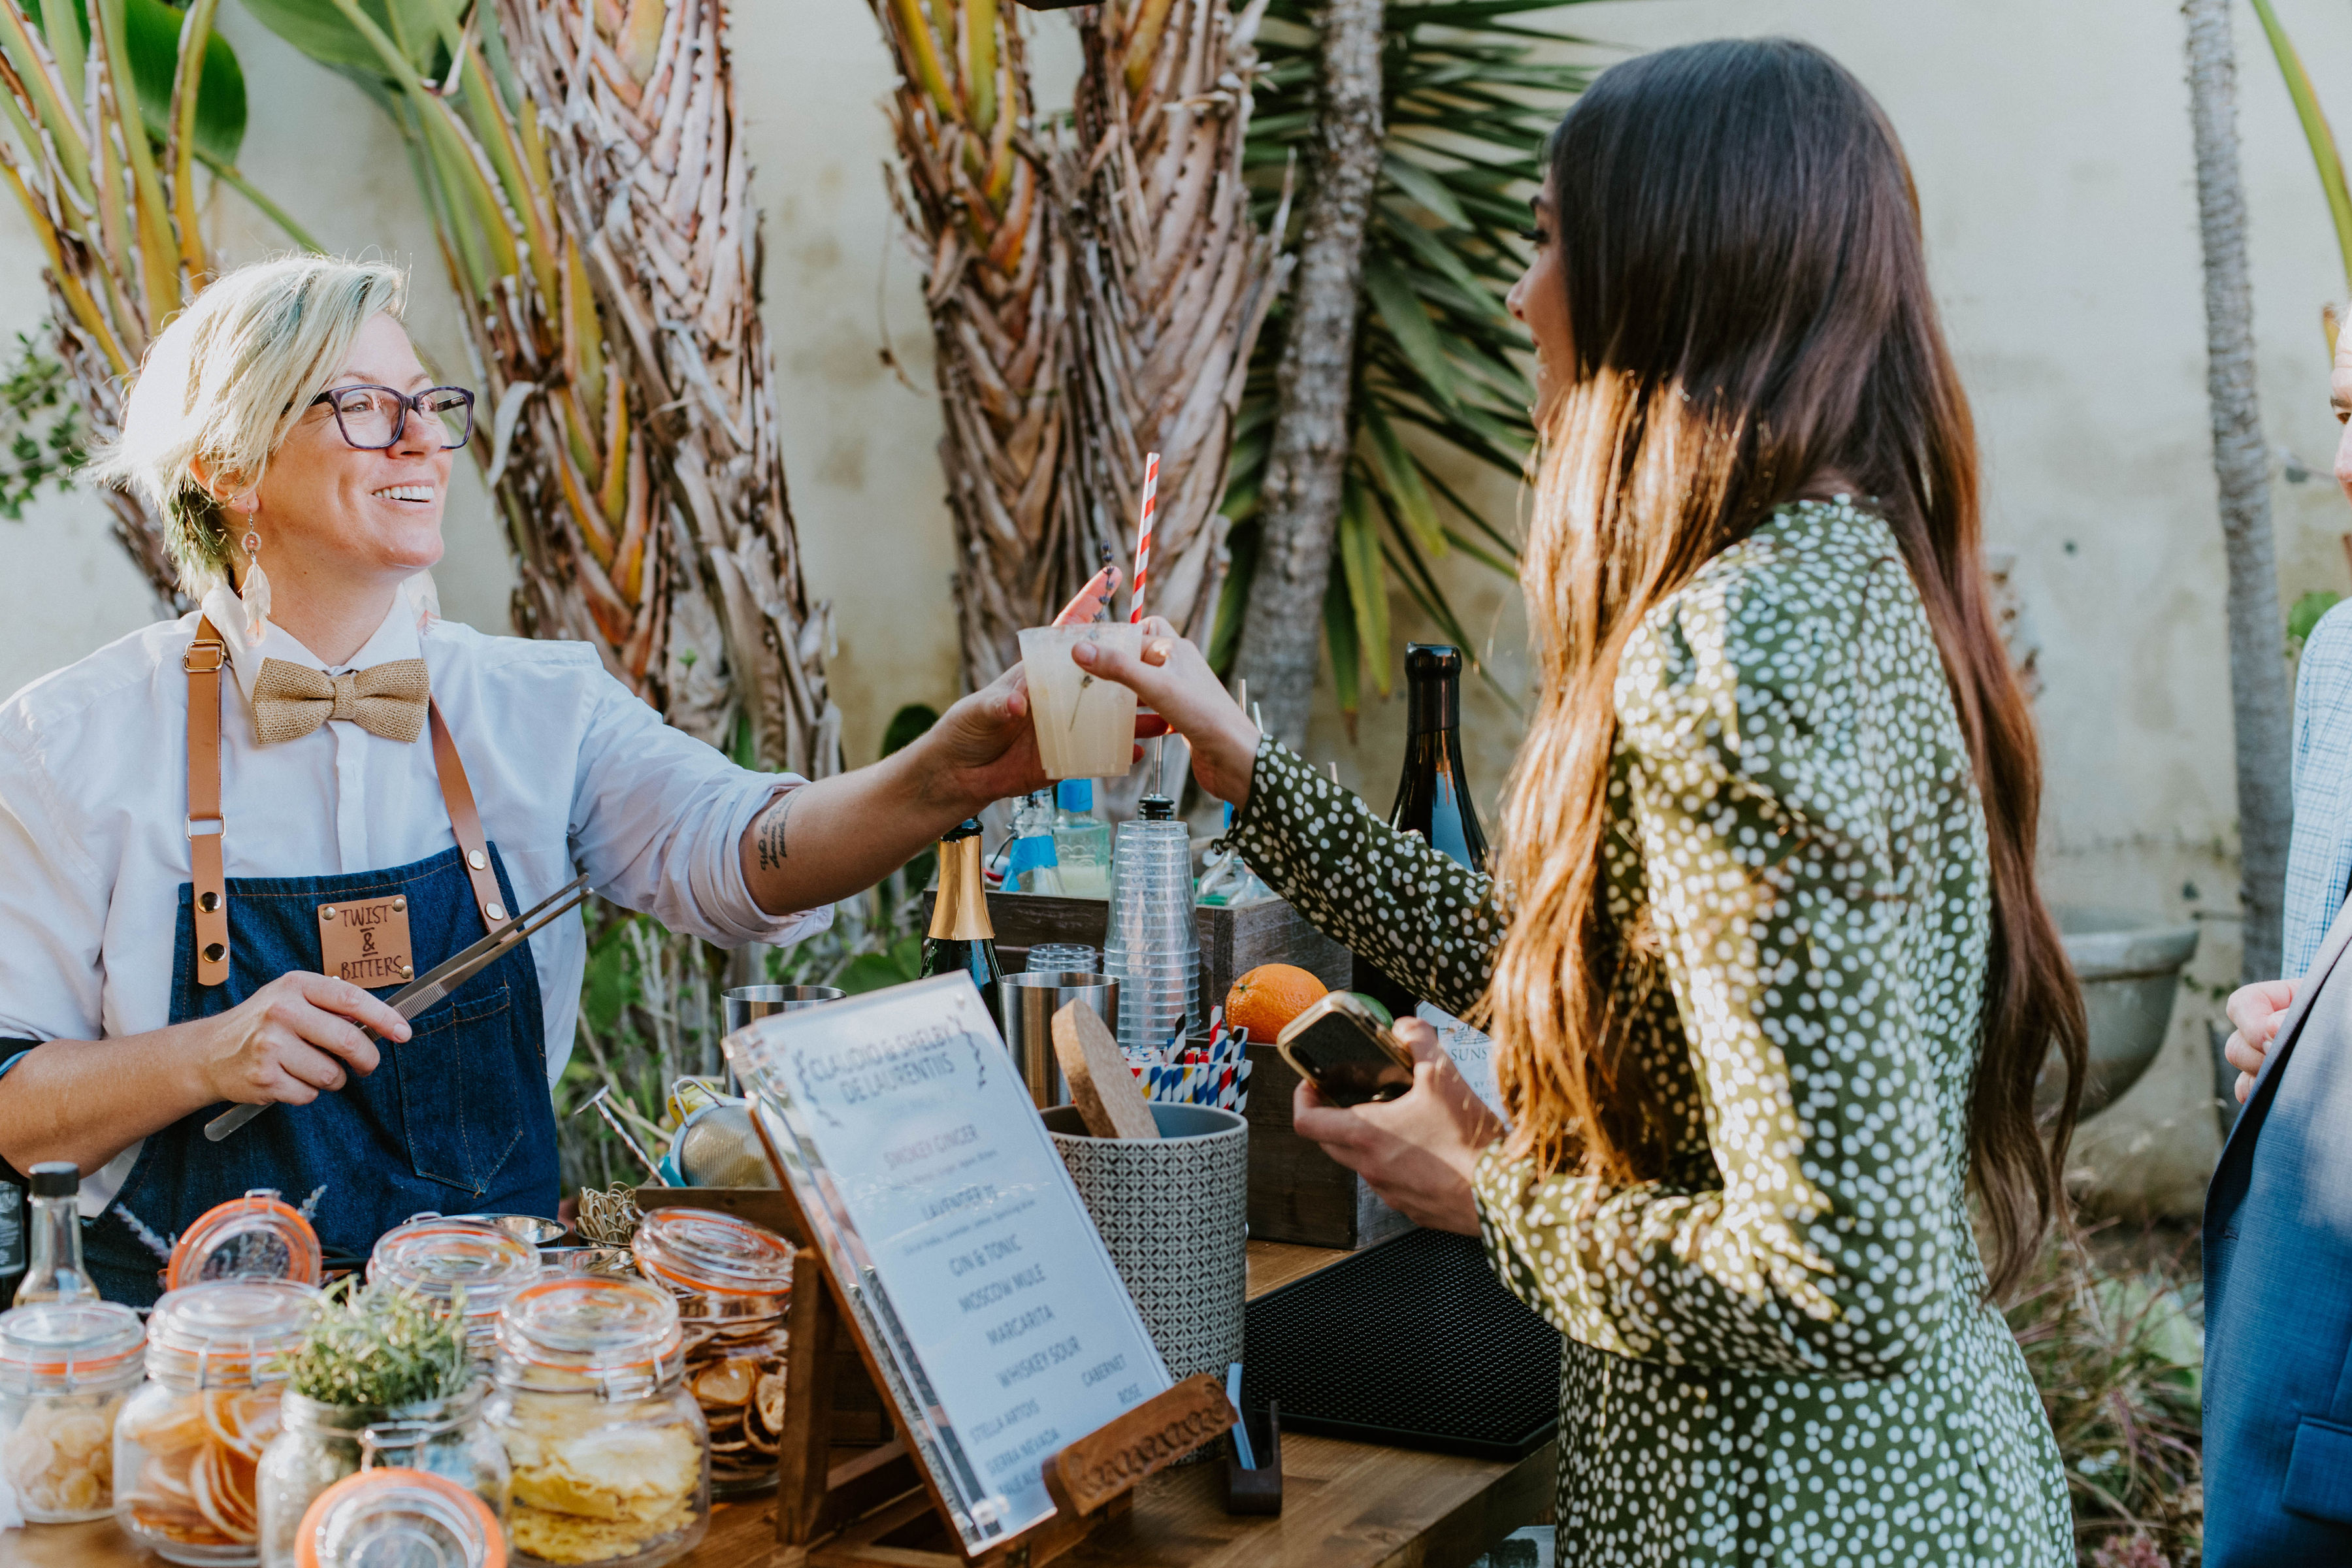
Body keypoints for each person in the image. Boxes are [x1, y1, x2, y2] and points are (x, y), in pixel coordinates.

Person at [1077, 39, 2085, 1565]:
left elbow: (1838, 1277)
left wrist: (1484, 1195)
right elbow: (1590, 964)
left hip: (1783, 1522)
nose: (1518, 295)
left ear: (1665, 277)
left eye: (1549, 241)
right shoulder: (1851, 582)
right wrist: (1242, 764)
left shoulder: (1727, 657)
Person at [0, 256, 1053, 1303]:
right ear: (229, 470)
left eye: (428, 403)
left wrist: (943, 780)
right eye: (365, 407)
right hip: (189, 1374)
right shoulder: (68, 742)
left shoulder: (541, 707)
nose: (421, 439)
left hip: (504, 1349)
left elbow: (741, 854)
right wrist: (206, 1055)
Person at [2200, 318, 2352, 1563]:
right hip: (2294, 1421)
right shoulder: (2340, 662)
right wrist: (2276, 1040)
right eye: (2346, 415)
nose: (2347, 460)